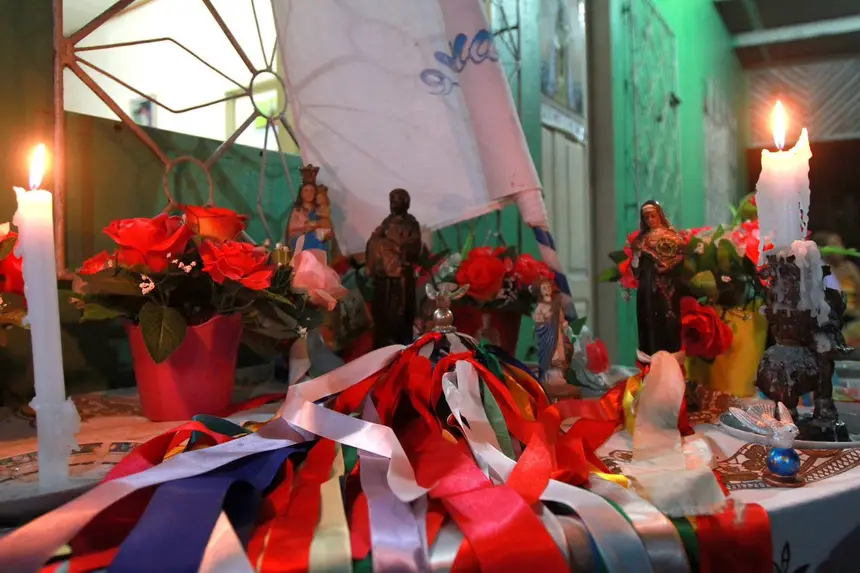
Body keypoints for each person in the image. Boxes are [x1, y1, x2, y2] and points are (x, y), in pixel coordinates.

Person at [366, 189, 422, 347]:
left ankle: (401, 345)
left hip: (401, 278)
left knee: (401, 316)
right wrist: (381, 247)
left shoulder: (411, 224)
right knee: (383, 316)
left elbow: (414, 247)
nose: (394, 205)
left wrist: (397, 251)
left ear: (405, 204)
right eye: (392, 202)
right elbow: (374, 242)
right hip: (385, 279)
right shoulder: (386, 223)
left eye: (397, 202)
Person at [631, 200, 685, 356]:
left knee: (667, 322)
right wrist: (636, 256)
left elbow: (680, 257)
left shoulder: (671, 237)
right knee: (648, 323)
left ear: (659, 215)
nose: (650, 220)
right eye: (646, 217)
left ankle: (669, 360)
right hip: (647, 286)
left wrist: (667, 266)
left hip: (666, 285)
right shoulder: (641, 239)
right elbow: (636, 270)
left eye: (652, 216)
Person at [533, 276, 578, 400]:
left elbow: (561, 318)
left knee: (559, 352)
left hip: (556, 334)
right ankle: (549, 375)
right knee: (549, 354)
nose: (547, 290)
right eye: (544, 288)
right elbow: (537, 319)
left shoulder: (555, 305)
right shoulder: (541, 306)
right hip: (547, 335)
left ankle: (558, 373)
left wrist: (563, 324)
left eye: (548, 287)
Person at [286, 165, 331, 253]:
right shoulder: (297, 210)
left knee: (318, 242)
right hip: (301, 242)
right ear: (301, 193)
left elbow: (327, 227)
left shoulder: (319, 210)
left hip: (318, 241)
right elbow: (292, 228)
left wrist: (318, 224)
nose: (308, 194)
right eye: (305, 191)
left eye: (311, 191)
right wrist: (306, 225)